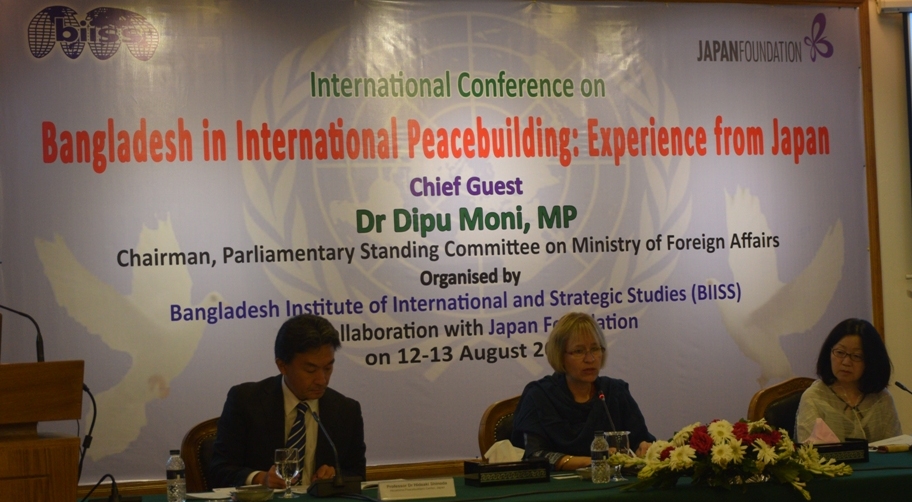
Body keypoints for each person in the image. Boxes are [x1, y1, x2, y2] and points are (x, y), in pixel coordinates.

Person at [209, 314, 366, 489]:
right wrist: (260, 479)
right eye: (310, 370)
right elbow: (218, 470)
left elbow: (358, 474)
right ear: (282, 366)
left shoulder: (347, 411)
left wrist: (335, 477)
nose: (322, 380)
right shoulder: (245, 401)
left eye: (328, 368)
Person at [511, 312, 655, 472]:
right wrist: (593, 460)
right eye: (579, 351)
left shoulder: (614, 391)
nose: (590, 359)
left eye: (595, 349)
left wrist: (644, 448)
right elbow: (534, 455)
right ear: (560, 355)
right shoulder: (539, 396)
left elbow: (640, 440)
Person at [795, 318, 902, 443]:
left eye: (856, 356)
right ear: (829, 353)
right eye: (840, 352)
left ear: (871, 361)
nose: (846, 362)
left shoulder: (882, 398)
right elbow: (808, 451)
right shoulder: (814, 398)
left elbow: (896, 447)